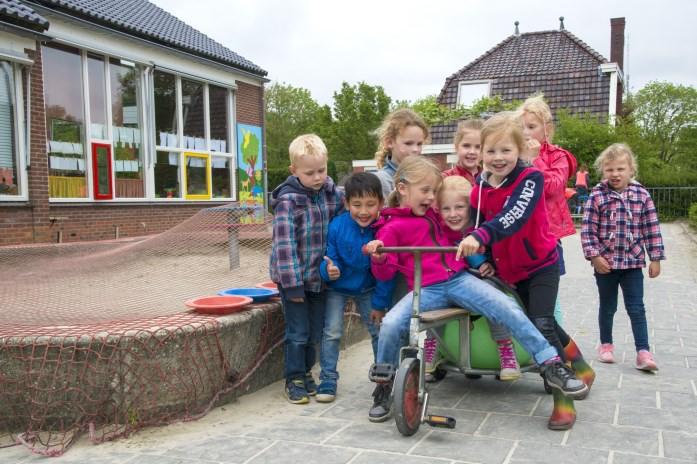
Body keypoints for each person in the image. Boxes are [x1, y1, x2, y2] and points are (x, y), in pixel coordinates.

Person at [365, 156, 588, 424]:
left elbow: (461, 225)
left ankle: (550, 363)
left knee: (506, 306)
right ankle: (384, 385)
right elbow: (385, 273)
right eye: (425, 191)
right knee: (390, 324)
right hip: (427, 288)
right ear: (402, 189)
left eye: (433, 192)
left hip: (460, 279)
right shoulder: (391, 228)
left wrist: (472, 235)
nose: (430, 198)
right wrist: (378, 256)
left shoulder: (436, 215)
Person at [457, 113, 595, 430]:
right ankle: (582, 366)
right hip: (511, 271)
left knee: (543, 323)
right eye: (490, 151)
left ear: (519, 149)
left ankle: (565, 400)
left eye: (505, 150)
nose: (498, 158)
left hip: (542, 263)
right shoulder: (479, 188)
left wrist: (480, 238)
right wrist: (487, 255)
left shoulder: (530, 179)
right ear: (481, 154)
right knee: (538, 320)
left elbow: (513, 217)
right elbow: (481, 223)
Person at [269, 134, 345, 404]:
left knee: (315, 332)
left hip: (321, 279)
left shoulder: (333, 195)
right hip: (295, 281)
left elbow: (356, 206)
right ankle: (294, 377)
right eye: (310, 172)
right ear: (294, 171)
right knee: (298, 332)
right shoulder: (288, 202)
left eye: (322, 170)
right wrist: (292, 284)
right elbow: (284, 245)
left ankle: (308, 372)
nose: (317, 177)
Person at [581, 143, 665, 371]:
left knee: (636, 307)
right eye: (610, 170)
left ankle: (643, 352)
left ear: (631, 170)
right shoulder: (597, 195)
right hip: (606, 265)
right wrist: (594, 256)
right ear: (603, 171)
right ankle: (606, 345)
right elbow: (588, 229)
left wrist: (655, 257)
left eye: (620, 169)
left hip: (633, 264)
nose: (615, 174)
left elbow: (651, 228)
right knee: (608, 306)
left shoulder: (642, 195)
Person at [317, 172, 395, 403]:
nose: (364, 211)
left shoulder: (384, 230)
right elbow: (329, 258)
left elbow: (386, 271)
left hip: (369, 288)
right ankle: (328, 379)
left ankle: (384, 378)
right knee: (331, 332)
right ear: (346, 203)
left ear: (381, 203)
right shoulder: (337, 226)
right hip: (338, 287)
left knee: (378, 331)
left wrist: (380, 304)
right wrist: (329, 272)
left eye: (370, 204)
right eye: (357, 205)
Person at [518, 94, 577, 326]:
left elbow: (552, 187)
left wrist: (533, 162)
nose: (526, 133)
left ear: (546, 130)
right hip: (521, 236)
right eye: (521, 128)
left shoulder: (558, 156)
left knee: (549, 299)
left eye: (531, 127)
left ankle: (560, 347)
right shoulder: (514, 154)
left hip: (548, 236)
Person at [374, 108, 428, 199]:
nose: (415, 149)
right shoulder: (382, 180)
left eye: (419, 144)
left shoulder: (426, 176)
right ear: (389, 142)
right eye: (408, 143)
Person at [442, 119, 484, 185]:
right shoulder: (445, 178)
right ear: (456, 147)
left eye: (478, 147)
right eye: (466, 146)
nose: (472, 152)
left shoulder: (491, 179)